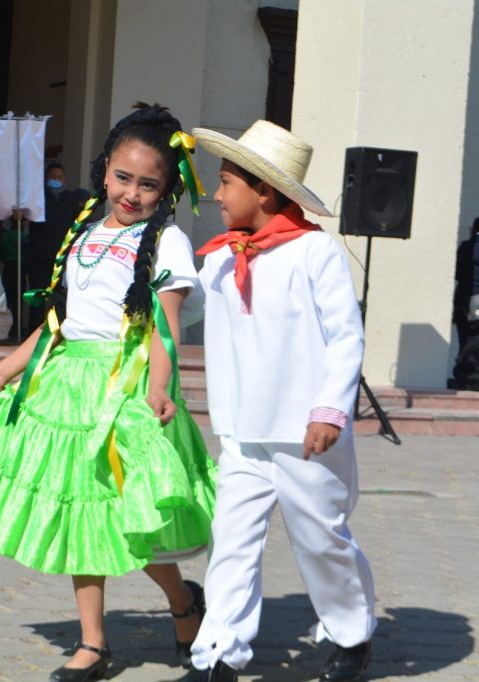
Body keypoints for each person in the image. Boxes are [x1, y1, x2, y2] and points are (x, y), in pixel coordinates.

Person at [0, 103, 216, 681]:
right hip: (65, 390)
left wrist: (159, 389)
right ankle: (93, 642)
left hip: (125, 389)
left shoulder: (167, 243)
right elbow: (57, 322)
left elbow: (166, 324)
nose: (132, 193)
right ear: (106, 169)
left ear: (169, 188)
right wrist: (8, 367)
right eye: (124, 177)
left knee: (135, 523)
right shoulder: (84, 234)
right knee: (82, 515)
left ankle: (183, 601)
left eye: (149, 184)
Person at [188, 121, 376, 682]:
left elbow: (346, 335)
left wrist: (328, 410)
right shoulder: (219, 258)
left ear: (263, 192)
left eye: (224, 183)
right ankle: (221, 649)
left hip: (303, 432)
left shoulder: (316, 252)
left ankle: (351, 634)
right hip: (241, 429)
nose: (216, 195)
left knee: (321, 539)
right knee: (232, 540)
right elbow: (185, 305)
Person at [25, 162, 89, 331]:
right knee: (38, 296)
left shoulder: (71, 199)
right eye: (53, 176)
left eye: (59, 177)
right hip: (39, 255)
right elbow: (22, 219)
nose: (56, 180)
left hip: (62, 256)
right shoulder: (36, 198)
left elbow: (79, 224)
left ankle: (57, 332)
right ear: (46, 178)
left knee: (60, 296)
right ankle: (34, 333)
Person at [451, 218, 479, 389]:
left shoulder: (465, 248)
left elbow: (457, 273)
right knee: (475, 338)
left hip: (465, 299)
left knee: (467, 337)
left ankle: (466, 376)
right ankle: (468, 373)